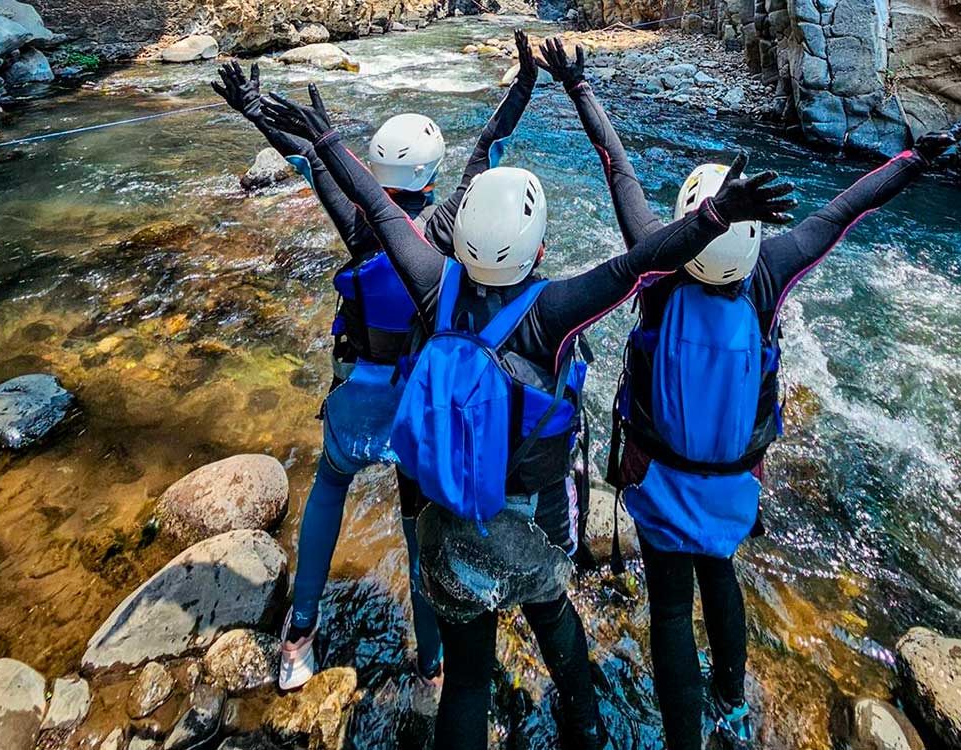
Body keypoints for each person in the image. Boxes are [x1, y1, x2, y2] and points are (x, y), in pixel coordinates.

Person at [260, 79, 795, 750]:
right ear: (538, 252)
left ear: (459, 239)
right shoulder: (551, 314)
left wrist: (325, 140)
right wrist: (713, 221)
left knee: (468, 686)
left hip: (448, 522)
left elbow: (377, 206)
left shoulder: (431, 282)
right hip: (531, 529)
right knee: (554, 620)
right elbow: (640, 262)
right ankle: (586, 725)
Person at [540, 37, 961, 749]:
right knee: (720, 576)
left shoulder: (657, 272)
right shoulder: (770, 273)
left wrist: (580, 89)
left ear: (692, 226)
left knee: (667, 614)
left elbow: (618, 168)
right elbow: (843, 212)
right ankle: (733, 701)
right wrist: (916, 159)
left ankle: (686, 737)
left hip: (657, 482)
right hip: (731, 490)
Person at [210, 30, 542, 691]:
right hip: (415, 415)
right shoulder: (449, 226)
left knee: (329, 488)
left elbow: (312, 159)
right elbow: (490, 144)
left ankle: (298, 637)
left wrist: (253, 107)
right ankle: (430, 664)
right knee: (419, 529)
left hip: (356, 400)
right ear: (431, 176)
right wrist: (527, 81)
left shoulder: (358, 219)